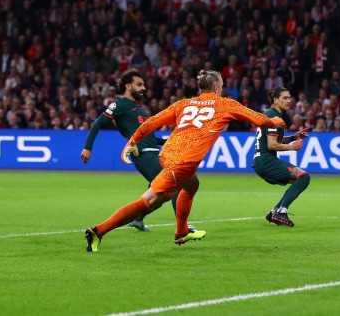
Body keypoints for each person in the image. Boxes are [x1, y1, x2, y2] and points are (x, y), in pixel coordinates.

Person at [84, 70, 285, 252]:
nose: (222, 88)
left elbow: (152, 122)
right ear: (216, 88)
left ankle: (181, 231)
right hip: (182, 163)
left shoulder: (184, 103)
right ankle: (98, 231)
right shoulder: (226, 104)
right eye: (222, 85)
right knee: (148, 203)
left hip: (168, 154)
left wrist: (133, 141)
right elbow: (260, 120)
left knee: (192, 185)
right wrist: (275, 121)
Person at [80, 69, 171, 232]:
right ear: (128, 86)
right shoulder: (120, 105)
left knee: (159, 194)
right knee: (172, 184)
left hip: (153, 151)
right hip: (142, 153)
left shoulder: (139, 109)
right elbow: (98, 122)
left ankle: (138, 220)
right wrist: (88, 147)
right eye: (139, 84)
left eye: (144, 85)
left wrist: (169, 140)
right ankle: (183, 229)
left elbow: (151, 137)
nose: (144, 88)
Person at [253, 86, 310, 227]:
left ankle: (275, 212)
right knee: (303, 177)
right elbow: (272, 145)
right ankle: (280, 211)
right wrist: (292, 147)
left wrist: (293, 137)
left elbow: (274, 141)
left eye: (289, 97)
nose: (289, 100)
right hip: (266, 161)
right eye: (285, 98)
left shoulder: (270, 114)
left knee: (299, 178)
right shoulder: (274, 117)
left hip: (263, 160)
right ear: (275, 100)